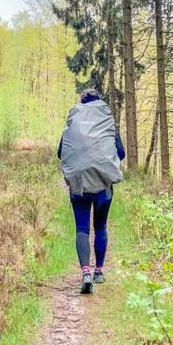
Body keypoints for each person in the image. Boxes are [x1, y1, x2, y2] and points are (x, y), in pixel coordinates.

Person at [58, 88, 125, 294]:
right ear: (99, 103)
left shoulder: (72, 127)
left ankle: (85, 272)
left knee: (82, 228)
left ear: (81, 104)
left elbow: (61, 153)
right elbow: (121, 154)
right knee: (101, 226)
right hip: (103, 186)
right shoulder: (108, 125)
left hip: (78, 186)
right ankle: (99, 271)